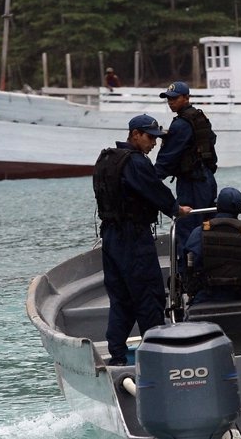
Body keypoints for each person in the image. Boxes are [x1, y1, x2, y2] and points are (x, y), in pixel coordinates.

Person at [93, 114, 192, 366]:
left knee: (121, 299)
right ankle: (158, 355)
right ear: (135, 134)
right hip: (133, 237)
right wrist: (177, 209)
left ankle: (116, 355)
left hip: (110, 236)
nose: (153, 143)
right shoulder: (136, 162)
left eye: (157, 139)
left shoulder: (107, 159)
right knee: (148, 295)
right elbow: (155, 191)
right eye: (150, 137)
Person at [156, 81, 218, 255]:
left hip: (192, 183)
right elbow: (211, 140)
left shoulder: (181, 124)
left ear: (186, 98)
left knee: (187, 228)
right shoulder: (200, 117)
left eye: (174, 98)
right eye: (168, 99)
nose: (170, 102)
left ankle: (186, 273)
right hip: (206, 178)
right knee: (207, 225)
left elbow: (167, 158)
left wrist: (150, 180)